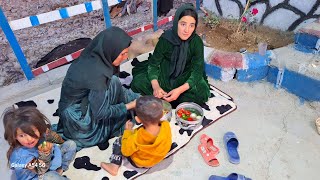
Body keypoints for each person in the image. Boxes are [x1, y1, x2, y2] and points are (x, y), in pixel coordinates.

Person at [56, 27, 139, 150]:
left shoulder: (95, 56)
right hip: (78, 121)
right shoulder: (98, 74)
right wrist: (130, 105)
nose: (126, 57)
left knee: (115, 83)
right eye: (122, 54)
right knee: (115, 86)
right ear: (111, 50)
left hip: (77, 104)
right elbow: (101, 113)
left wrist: (139, 98)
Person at [130, 4, 210, 107]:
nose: (187, 30)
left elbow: (197, 70)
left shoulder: (196, 42)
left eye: (191, 25)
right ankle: (168, 97)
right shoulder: (165, 39)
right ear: (176, 22)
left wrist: (180, 90)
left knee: (203, 93)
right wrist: (156, 87)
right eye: (183, 24)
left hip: (186, 75)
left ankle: (167, 98)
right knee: (138, 82)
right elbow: (153, 65)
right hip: (164, 73)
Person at [100, 96, 172, 176]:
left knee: (119, 142)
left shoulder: (137, 137)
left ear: (138, 119)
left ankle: (114, 166)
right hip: (157, 158)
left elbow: (125, 151)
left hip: (141, 163)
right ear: (162, 114)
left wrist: (127, 131)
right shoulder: (166, 125)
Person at [3, 106, 76, 180]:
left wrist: (52, 143)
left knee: (70, 144)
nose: (29, 139)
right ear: (14, 136)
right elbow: (40, 170)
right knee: (49, 177)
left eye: (33, 132)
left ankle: (60, 169)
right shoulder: (19, 156)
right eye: (22, 135)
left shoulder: (41, 135)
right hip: (38, 175)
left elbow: (55, 141)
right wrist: (45, 154)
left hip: (51, 164)